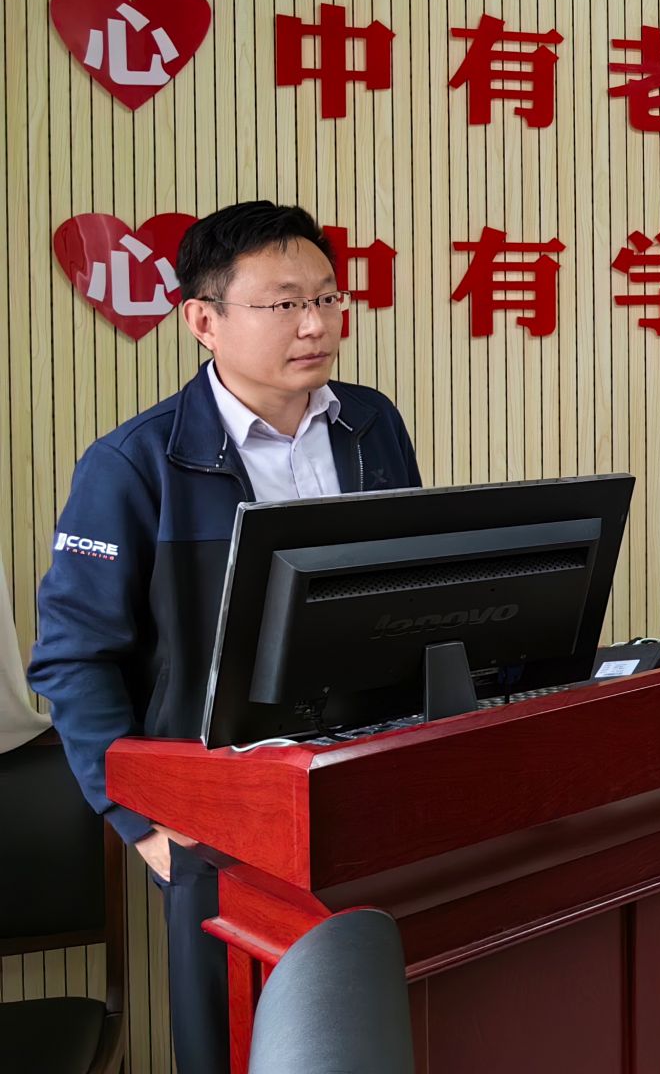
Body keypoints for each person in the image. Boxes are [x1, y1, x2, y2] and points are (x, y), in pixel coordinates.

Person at [30, 201, 423, 1074]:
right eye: (284, 304)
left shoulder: (371, 425)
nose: (316, 324)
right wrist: (140, 825)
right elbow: (73, 658)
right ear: (203, 321)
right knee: (237, 1046)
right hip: (221, 823)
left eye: (326, 297)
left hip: (369, 789)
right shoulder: (134, 465)